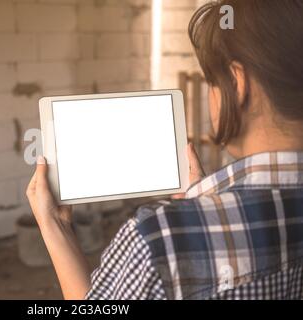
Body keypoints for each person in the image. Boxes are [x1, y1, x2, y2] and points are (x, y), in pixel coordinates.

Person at [26, 0, 303, 300]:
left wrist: (54, 226)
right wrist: (204, 203)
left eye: (211, 82)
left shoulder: (159, 236)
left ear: (237, 84)